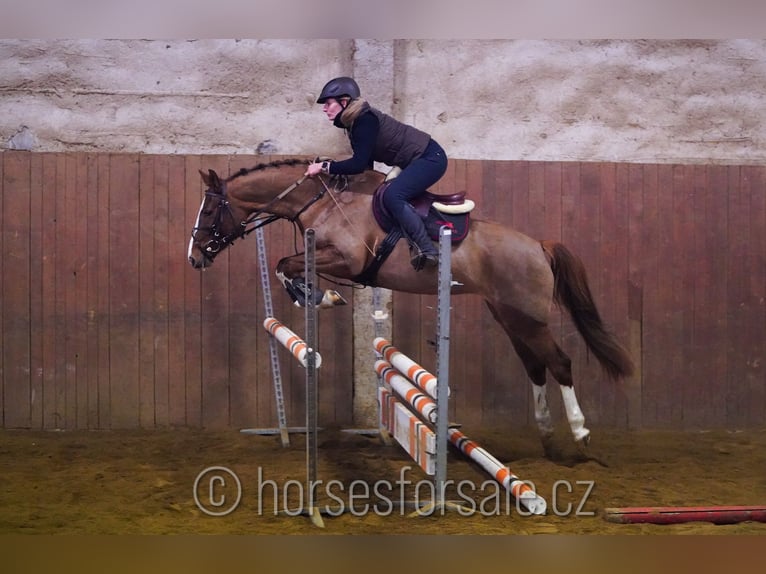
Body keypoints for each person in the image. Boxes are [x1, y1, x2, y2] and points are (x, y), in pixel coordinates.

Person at [305, 76, 448, 270]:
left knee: (393, 195)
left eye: (328, 103)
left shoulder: (364, 120)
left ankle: (427, 249)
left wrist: (324, 168)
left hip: (430, 159)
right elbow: (365, 166)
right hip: (414, 160)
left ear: (344, 102)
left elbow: (358, 164)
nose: (324, 108)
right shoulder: (354, 122)